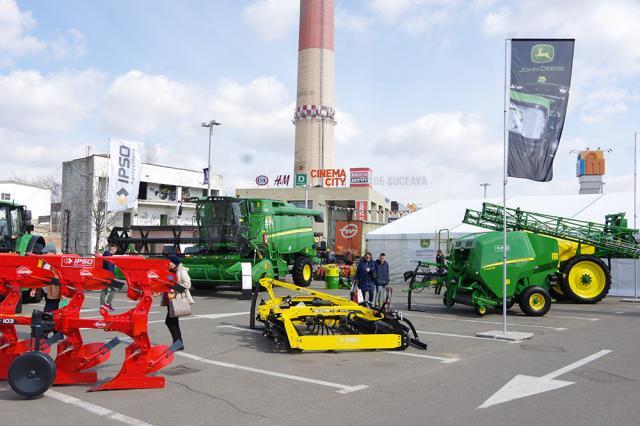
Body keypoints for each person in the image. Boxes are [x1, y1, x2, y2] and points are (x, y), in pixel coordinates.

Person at [163, 253, 193, 351]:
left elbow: (187, 284)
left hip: (178, 297)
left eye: (169, 261)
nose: (168, 263)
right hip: (171, 298)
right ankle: (178, 343)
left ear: (175, 262)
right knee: (174, 321)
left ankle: (178, 343)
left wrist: (173, 288)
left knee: (170, 321)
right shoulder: (170, 271)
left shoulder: (181, 270)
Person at [100, 243, 118, 310]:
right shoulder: (108, 254)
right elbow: (109, 266)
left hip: (104, 274)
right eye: (116, 249)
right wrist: (112, 275)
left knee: (104, 289)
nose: (116, 251)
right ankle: (107, 304)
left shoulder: (106, 254)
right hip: (108, 275)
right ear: (113, 248)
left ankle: (102, 305)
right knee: (115, 289)